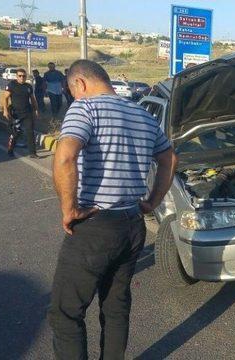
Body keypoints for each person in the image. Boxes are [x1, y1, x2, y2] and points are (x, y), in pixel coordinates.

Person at [49, 59, 176, 359]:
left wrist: (70, 209)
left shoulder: (85, 108)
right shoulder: (142, 114)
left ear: (79, 83)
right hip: (132, 225)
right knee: (116, 306)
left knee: (65, 313)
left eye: (73, 92)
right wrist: (153, 202)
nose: (74, 98)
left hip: (95, 226)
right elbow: (170, 159)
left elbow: (65, 157)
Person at [3, 69, 40, 158]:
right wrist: (5, 110)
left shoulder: (28, 86)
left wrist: (36, 110)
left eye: (24, 76)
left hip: (27, 113)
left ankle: (32, 153)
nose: (22, 77)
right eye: (20, 76)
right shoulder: (12, 85)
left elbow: (33, 99)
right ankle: (10, 149)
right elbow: (5, 98)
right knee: (16, 133)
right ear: (16, 76)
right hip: (16, 113)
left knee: (30, 132)